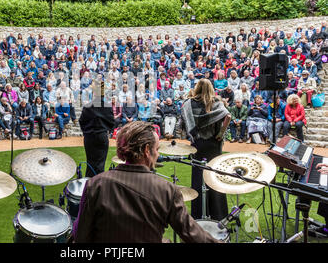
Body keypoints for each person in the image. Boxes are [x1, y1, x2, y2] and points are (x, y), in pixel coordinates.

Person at [72, 121, 220, 243]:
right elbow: (192, 234)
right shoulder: (167, 190)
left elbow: (80, 237)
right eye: (157, 149)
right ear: (146, 150)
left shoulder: (95, 184)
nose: (158, 154)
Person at [181, 79, 231, 220]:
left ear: (197, 88)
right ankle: (219, 214)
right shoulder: (217, 102)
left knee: (198, 178)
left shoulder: (189, 103)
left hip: (198, 143)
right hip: (214, 144)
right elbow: (228, 116)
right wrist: (221, 134)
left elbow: (184, 122)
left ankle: (199, 213)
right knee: (214, 177)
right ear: (210, 88)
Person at [79, 81, 115, 177]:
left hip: (89, 137)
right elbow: (112, 123)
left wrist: (86, 132)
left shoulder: (88, 106)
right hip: (101, 136)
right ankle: (98, 185)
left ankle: (89, 185)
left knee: (90, 162)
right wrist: (105, 129)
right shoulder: (107, 106)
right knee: (100, 163)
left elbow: (81, 121)